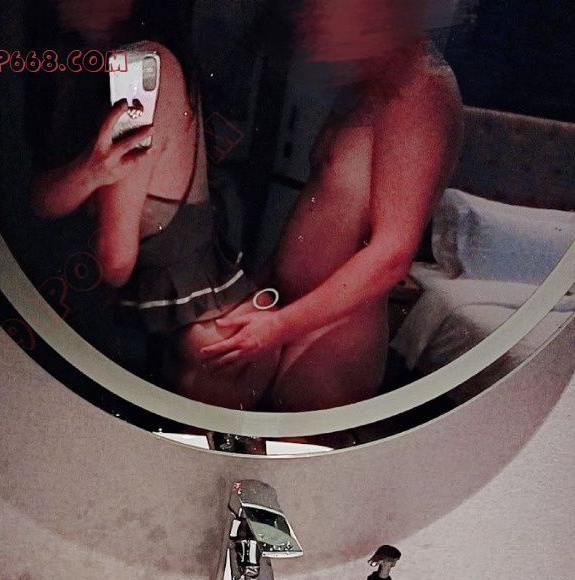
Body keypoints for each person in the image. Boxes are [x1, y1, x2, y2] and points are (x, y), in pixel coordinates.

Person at [33, 0, 463, 412]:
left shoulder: (421, 91)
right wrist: (268, 288)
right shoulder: (369, 89)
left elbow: (392, 253)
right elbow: (325, 210)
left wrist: (279, 326)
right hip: (287, 311)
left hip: (331, 337)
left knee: (291, 457)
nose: (314, 25)